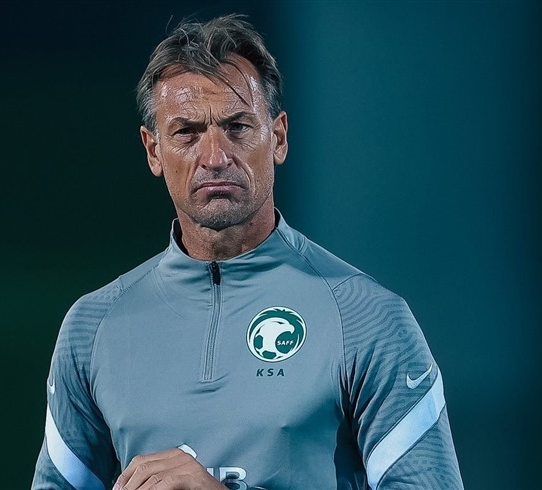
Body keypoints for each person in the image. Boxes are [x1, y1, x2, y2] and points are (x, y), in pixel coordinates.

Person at [32, 14, 463, 490]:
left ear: (277, 138)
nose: (215, 157)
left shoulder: (366, 318)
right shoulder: (93, 328)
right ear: (153, 150)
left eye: (237, 127)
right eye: (187, 133)